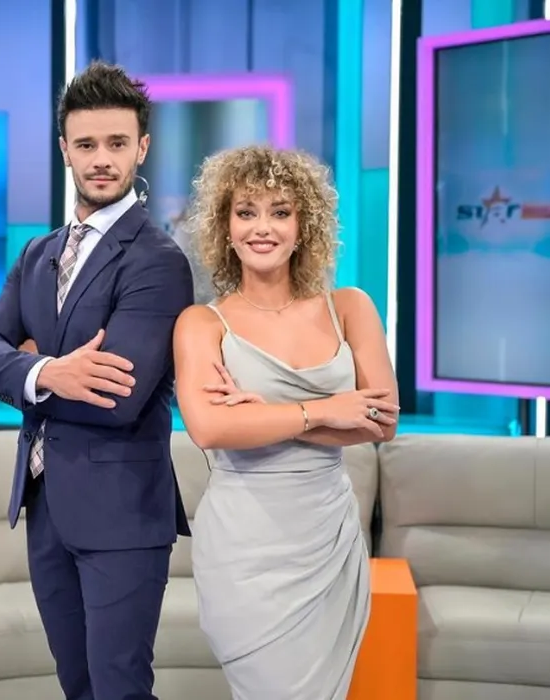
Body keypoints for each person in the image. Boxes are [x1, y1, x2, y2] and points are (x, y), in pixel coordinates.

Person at [0, 60, 195, 700]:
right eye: (86, 144)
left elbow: (118, 397)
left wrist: (28, 370)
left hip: (122, 513)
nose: (101, 159)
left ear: (141, 148)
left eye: (117, 143)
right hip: (45, 506)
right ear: (64, 148)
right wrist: (51, 371)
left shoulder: (157, 261)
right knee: (77, 686)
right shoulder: (38, 254)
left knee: (119, 689)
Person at [172, 145, 399, 700]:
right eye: (246, 212)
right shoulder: (202, 323)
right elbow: (209, 429)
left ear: (304, 226)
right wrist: (322, 410)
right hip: (244, 547)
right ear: (225, 227)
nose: (262, 228)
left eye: (280, 212)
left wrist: (262, 416)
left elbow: (382, 421)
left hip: (328, 540)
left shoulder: (350, 308)